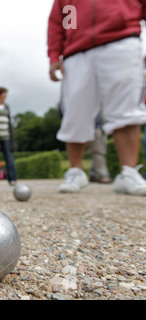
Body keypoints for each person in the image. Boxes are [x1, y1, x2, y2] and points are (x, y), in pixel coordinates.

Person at [48, 0, 146, 196]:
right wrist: (54, 55)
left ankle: (128, 171)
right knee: (75, 114)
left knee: (126, 112)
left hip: (122, 40)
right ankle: (76, 171)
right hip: (76, 50)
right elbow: (60, 21)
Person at [88, 115, 112, 184]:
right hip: (95, 126)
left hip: (99, 127)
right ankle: (102, 176)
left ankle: (94, 174)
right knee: (98, 152)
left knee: (98, 152)